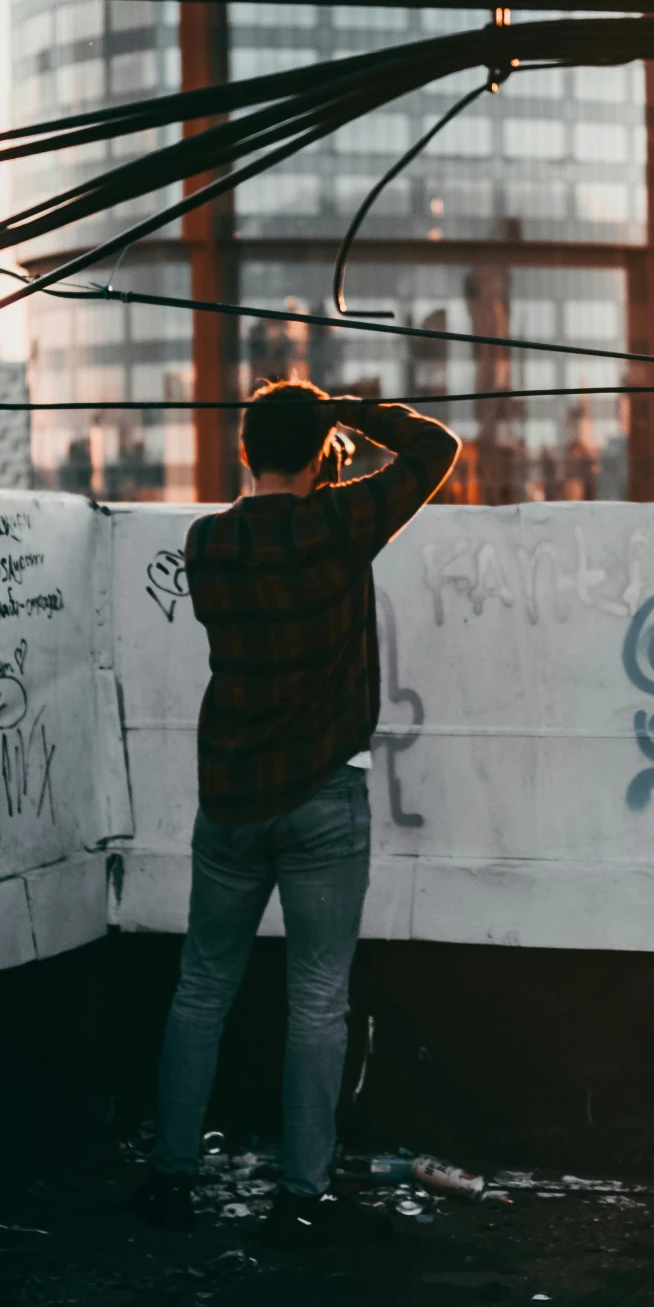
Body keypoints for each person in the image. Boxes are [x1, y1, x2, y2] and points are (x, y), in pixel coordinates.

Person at [132, 379, 460, 1237]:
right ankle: (300, 1191)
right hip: (323, 795)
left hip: (231, 796)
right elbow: (436, 450)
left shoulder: (208, 543)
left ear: (245, 452)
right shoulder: (338, 524)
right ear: (319, 453)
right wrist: (351, 413)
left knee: (201, 989)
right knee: (316, 996)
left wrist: (320, 431)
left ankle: (170, 1179)